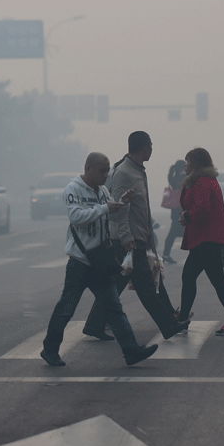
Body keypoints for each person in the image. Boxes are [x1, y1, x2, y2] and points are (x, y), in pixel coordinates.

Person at [40, 152, 159, 367]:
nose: (106, 175)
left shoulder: (103, 191)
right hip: (80, 261)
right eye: (102, 171)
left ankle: (131, 351)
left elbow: (111, 217)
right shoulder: (73, 189)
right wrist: (105, 208)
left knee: (114, 308)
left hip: (100, 262)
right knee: (66, 308)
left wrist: (122, 204)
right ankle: (49, 349)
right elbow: (76, 217)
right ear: (88, 169)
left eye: (107, 171)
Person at [84, 131, 189, 340]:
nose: (152, 149)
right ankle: (168, 326)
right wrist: (126, 237)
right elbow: (120, 207)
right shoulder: (124, 172)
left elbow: (141, 207)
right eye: (150, 145)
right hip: (128, 240)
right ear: (144, 147)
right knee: (148, 288)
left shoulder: (138, 170)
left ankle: (95, 324)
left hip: (138, 236)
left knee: (117, 285)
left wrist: (148, 234)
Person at [177, 147, 224, 336]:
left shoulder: (201, 182)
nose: (185, 164)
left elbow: (203, 208)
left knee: (191, 276)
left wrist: (186, 216)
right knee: (216, 281)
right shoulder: (206, 180)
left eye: (188, 161)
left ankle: (182, 319)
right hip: (208, 238)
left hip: (206, 239)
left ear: (196, 163)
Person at [161, 159, 186, 264]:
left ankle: (166, 254)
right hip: (181, 210)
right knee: (182, 233)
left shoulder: (173, 177)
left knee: (172, 234)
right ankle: (166, 255)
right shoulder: (183, 178)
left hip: (175, 212)